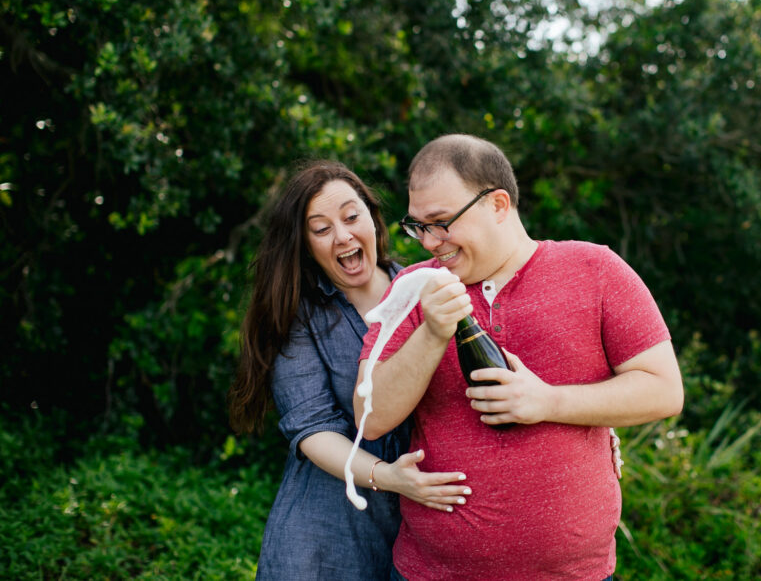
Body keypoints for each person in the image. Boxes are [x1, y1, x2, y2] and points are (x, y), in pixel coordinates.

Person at [354, 134, 685, 580]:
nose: (429, 242)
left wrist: (548, 402)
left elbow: (664, 391)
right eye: (418, 226)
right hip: (431, 573)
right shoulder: (414, 288)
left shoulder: (595, 270)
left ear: (498, 205)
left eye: (441, 222)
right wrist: (433, 332)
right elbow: (370, 417)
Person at [227, 160, 472, 580]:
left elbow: (499, 367)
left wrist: (581, 430)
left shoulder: (429, 286)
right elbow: (313, 429)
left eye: (351, 217)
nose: (342, 236)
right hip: (325, 534)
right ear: (305, 244)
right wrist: (388, 477)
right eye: (321, 229)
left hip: (423, 534)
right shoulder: (297, 317)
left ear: (373, 219)